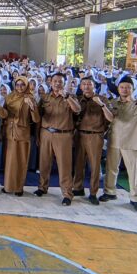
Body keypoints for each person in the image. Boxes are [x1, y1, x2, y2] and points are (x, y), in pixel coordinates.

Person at [100, 76, 137, 212]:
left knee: (133, 171)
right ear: (118, 89)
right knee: (111, 168)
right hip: (114, 140)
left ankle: (135, 198)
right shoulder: (113, 102)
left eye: (128, 87)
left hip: (132, 141)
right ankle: (110, 191)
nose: (124, 90)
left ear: (133, 89)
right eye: (122, 87)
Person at [34, 73, 80, 206]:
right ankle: (42, 187)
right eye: (55, 81)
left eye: (60, 81)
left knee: (64, 165)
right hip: (46, 133)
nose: (57, 83)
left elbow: (77, 109)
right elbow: (38, 117)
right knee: (44, 163)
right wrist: (37, 135)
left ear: (64, 83)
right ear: (50, 82)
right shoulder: (45, 98)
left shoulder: (71, 97)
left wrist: (67, 97)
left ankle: (67, 194)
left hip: (63, 135)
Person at [72, 76, 113, 205]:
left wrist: (101, 104)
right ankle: (78, 188)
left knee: (94, 166)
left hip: (95, 135)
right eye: (84, 84)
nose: (86, 86)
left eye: (89, 84)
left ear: (94, 86)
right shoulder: (78, 99)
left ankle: (93, 192)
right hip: (80, 134)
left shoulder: (102, 99)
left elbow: (110, 118)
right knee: (78, 163)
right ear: (80, 87)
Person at [2, 77, 40, 196]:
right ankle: (8, 186)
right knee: (10, 161)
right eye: (17, 84)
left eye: (22, 85)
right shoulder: (9, 97)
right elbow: (4, 114)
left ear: (27, 85)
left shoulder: (30, 98)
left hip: (23, 133)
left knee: (21, 160)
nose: (19, 87)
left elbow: (36, 119)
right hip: (10, 132)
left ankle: (19, 187)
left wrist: (32, 107)